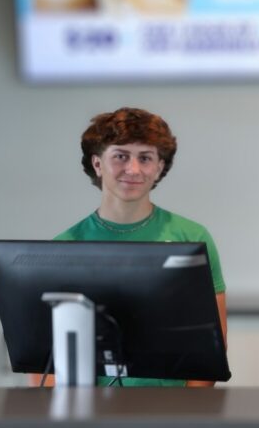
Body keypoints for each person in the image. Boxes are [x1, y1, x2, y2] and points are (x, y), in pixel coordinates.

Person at [52, 107, 227, 387]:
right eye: (120, 156)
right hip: (89, 414)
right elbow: (48, 357)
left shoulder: (192, 238)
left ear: (159, 167)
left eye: (145, 158)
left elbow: (211, 347)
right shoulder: (65, 246)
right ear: (97, 164)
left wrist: (190, 413)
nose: (133, 169)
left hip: (172, 414)